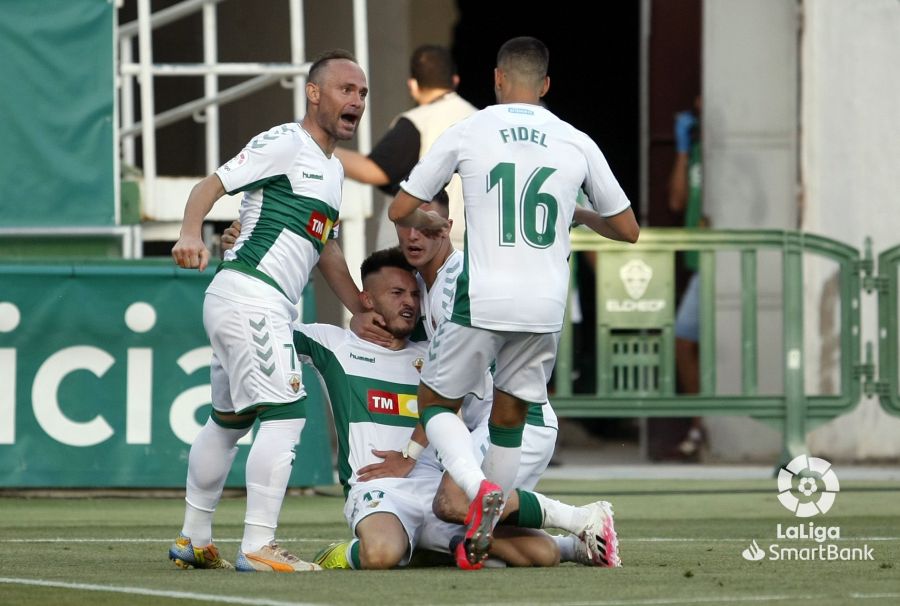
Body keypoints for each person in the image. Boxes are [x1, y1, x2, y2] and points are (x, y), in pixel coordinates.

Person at [389, 35, 639, 568]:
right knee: (510, 416)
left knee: (435, 403)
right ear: (545, 85)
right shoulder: (576, 140)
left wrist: (429, 219)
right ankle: (485, 523)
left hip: (484, 295)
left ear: (497, 80)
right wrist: (579, 213)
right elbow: (627, 228)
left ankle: (481, 492)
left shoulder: (469, 129)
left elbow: (402, 207)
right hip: (545, 306)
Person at [168, 49, 369, 572]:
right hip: (251, 295)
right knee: (285, 412)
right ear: (313, 93)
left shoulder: (332, 170)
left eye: (363, 92)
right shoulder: (285, 142)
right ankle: (258, 545)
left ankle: (194, 537)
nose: (357, 100)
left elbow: (326, 250)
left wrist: (359, 309)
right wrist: (191, 232)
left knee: (229, 421)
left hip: (248, 299)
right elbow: (209, 186)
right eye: (346, 89)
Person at [346, 191, 619, 569]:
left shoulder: (458, 284)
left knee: (452, 502)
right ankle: (571, 546)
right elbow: (397, 320)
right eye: (406, 225)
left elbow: (446, 391)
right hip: (488, 428)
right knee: (520, 547)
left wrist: (409, 456)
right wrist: (358, 316)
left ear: (447, 228)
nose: (414, 236)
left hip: (517, 421)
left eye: (426, 227)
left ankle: (582, 519)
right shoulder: (424, 286)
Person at [294, 248, 560, 569]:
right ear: (366, 300)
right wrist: (238, 257)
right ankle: (342, 553)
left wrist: (410, 456)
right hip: (379, 490)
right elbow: (268, 325)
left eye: (413, 294)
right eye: (396, 293)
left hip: (438, 495)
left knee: (544, 554)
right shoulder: (334, 344)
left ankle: (426, 546)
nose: (409, 302)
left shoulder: (436, 353)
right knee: (380, 555)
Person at [334, 44, 476, 251]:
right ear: (455, 81)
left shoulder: (418, 121)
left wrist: (321, 145)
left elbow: (374, 171)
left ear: (413, 85)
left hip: (424, 247)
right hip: (470, 248)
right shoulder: (480, 120)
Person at [667, 95, 707, 460]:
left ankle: (707, 426)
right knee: (684, 339)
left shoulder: (731, 153)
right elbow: (677, 201)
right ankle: (699, 423)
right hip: (701, 266)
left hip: (724, 265)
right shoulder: (695, 152)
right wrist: (683, 149)